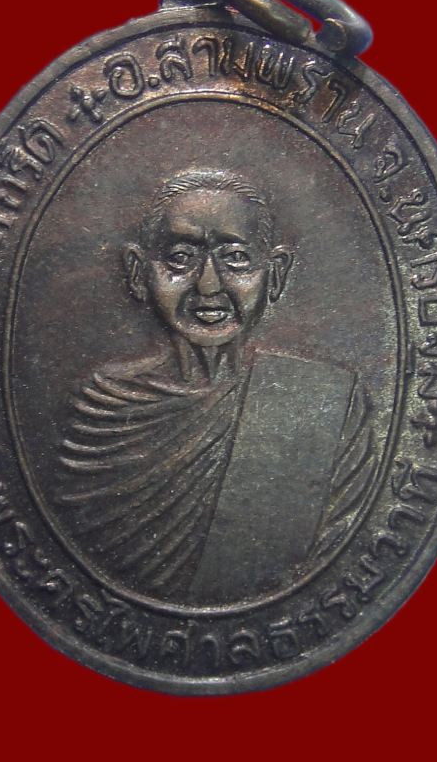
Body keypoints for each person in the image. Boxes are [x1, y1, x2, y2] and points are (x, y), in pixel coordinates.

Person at [57, 170, 372, 605]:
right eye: (181, 258)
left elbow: (341, 558)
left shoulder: (325, 403)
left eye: (236, 258)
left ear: (275, 274)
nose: (209, 284)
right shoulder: (105, 407)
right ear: (138, 272)